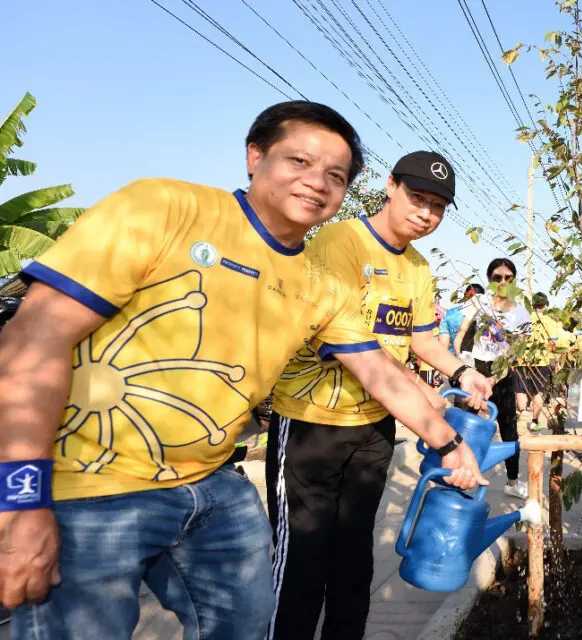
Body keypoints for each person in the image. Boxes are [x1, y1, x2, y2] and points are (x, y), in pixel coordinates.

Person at [0, 101, 484, 640]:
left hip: (212, 484)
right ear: (255, 156)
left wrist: (447, 443)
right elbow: (31, 339)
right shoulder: (163, 207)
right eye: (298, 161)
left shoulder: (317, 282)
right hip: (92, 491)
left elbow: (382, 371)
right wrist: (20, 503)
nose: (316, 183)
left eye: (336, 175)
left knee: (252, 620)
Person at [267, 150, 495, 639]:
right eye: (417, 197)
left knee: (353, 560)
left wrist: (460, 373)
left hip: (373, 427)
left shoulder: (415, 266)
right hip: (312, 423)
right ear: (390, 186)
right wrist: (419, 392)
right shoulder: (339, 242)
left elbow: (421, 336)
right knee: (302, 563)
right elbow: (353, 344)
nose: (425, 213)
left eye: (437, 206)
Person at [457, 258, 532, 498]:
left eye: (508, 278)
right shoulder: (479, 302)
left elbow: (516, 353)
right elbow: (461, 333)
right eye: (497, 277)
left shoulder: (521, 312)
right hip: (475, 367)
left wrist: (493, 379)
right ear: (488, 279)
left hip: (503, 371)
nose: (502, 282)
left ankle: (512, 483)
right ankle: (461, 477)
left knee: (509, 427)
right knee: (466, 425)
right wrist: (462, 366)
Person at [515, 292, 563, 431]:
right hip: (542, 360)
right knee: (539, 391)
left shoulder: (524, 319)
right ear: (546, 306)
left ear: (533, 305)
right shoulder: (550, 322)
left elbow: (519, 340)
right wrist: (557, 360)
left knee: (521, 389)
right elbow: (553, 344)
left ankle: (522, 421)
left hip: (523, 359)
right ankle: (535, 422)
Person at [442, 283, 485, 357]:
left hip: (454, 359)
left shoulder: (449, 314)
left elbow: (443, 343)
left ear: (465, 295)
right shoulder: (487, 315)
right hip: (482, 358)